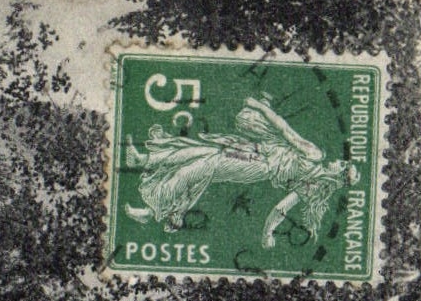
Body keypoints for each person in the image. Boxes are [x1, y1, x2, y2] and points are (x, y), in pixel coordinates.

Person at [125, 95, 358, 247]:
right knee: (202, 151)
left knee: (204, 164)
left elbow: (285, 130)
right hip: (253, 151)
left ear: (339, 174)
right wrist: (268, 234)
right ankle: (145, 160)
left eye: (342, 165)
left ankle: (152, 209)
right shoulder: (313, 182)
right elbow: (281, 208)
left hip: (257, 164)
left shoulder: (315, 159)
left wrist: (259, 106)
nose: (339, 161)